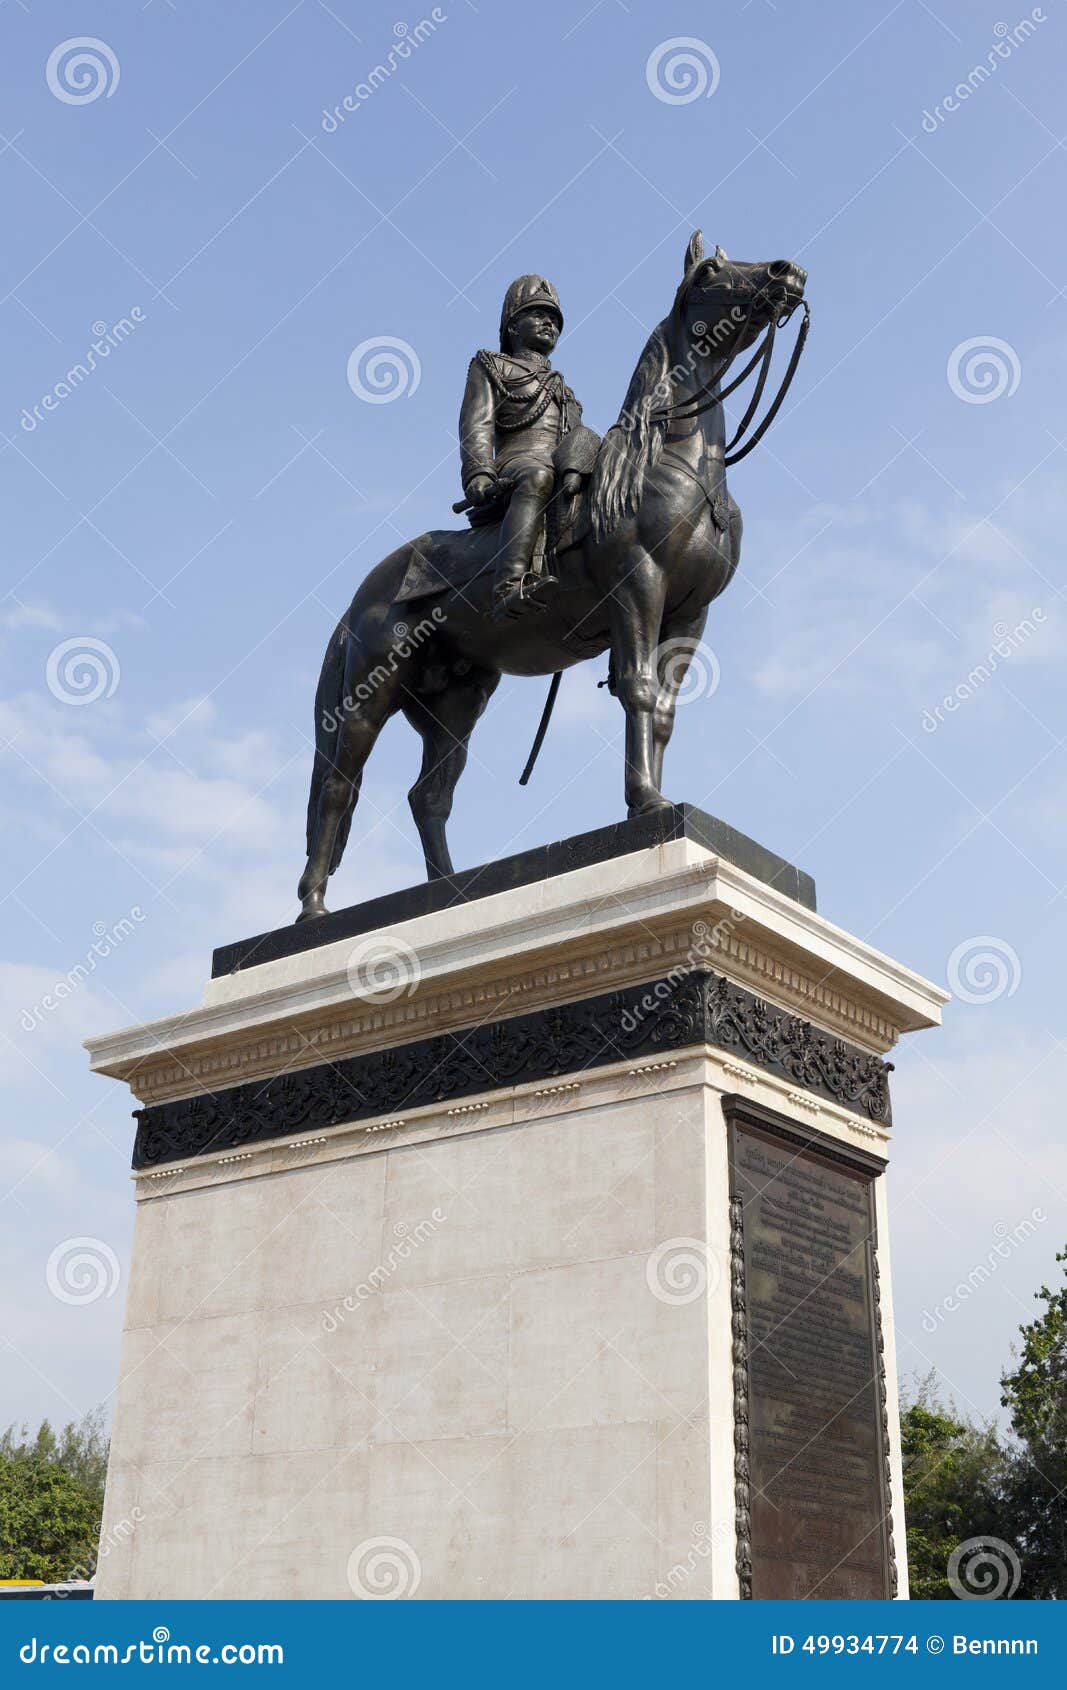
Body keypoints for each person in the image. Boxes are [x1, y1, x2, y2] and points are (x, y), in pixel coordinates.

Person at [459, 275, 584, 621]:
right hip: (517, 463)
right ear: (513, 326)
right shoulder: (490, 366)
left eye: (555, 319)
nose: (549, 323)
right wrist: (478, 473)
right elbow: (477, 424)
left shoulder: (564, 388)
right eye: (538, 314)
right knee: (538, 476)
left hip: (558, 464)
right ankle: (508, 587)